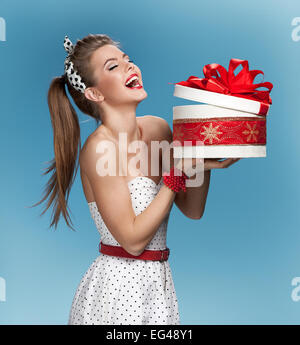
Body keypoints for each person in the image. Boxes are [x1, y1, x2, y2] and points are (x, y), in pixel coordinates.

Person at [33, 33, 241, 325]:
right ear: (94, 93)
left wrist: (200, 145)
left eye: (127, 60)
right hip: (117, 291)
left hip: (157, 287)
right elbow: (132, 241)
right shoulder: (99, 149)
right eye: (113, 66)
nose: (130, 67)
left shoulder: (158, 129)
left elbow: (193, 210)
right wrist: (178, 171)